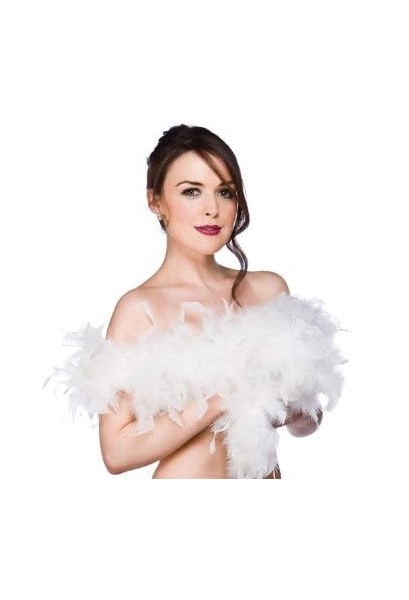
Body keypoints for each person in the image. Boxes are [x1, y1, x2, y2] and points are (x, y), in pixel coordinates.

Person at [57, 124, 344, 479]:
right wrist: (222, 398)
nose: (212, 209)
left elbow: (309, 420)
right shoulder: (139, 309)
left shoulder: (268, 290)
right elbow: (117, 454)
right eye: (191, 191)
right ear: (156, 201)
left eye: (225, 192)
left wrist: (282, 405)